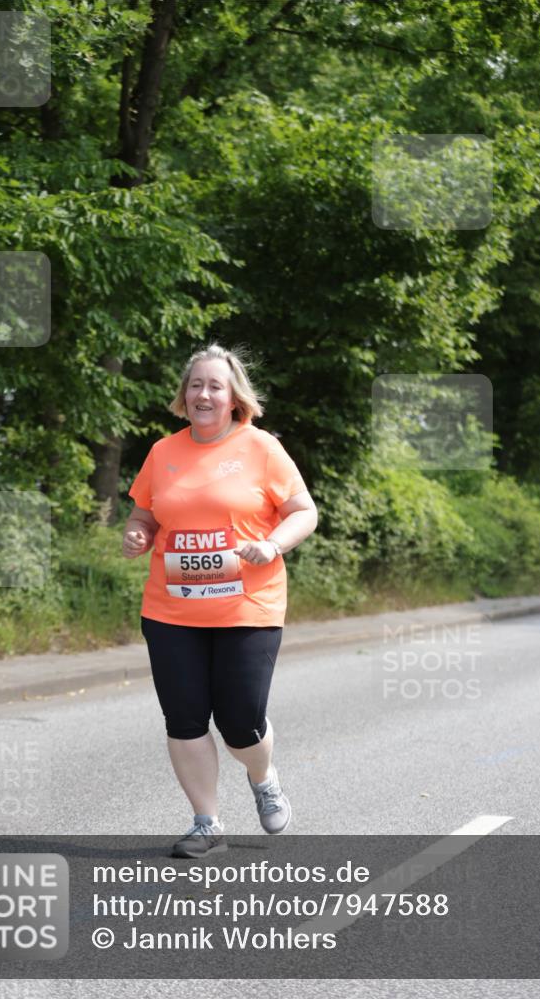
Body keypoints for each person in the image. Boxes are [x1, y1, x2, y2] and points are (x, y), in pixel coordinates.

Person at [122, 342, 318, 858]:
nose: (203, 394)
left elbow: (303, 512)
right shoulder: (163, 452)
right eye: (195, 385)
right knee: (184, 719)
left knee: (240, 721)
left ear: (234, 398)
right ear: (183, 396)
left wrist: (272, 544)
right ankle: (206, 823)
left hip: (247, 607)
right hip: (171, 609)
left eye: (214, 386)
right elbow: (144, 515)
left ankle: (263, 774)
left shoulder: (261, 449)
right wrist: (137, 534)